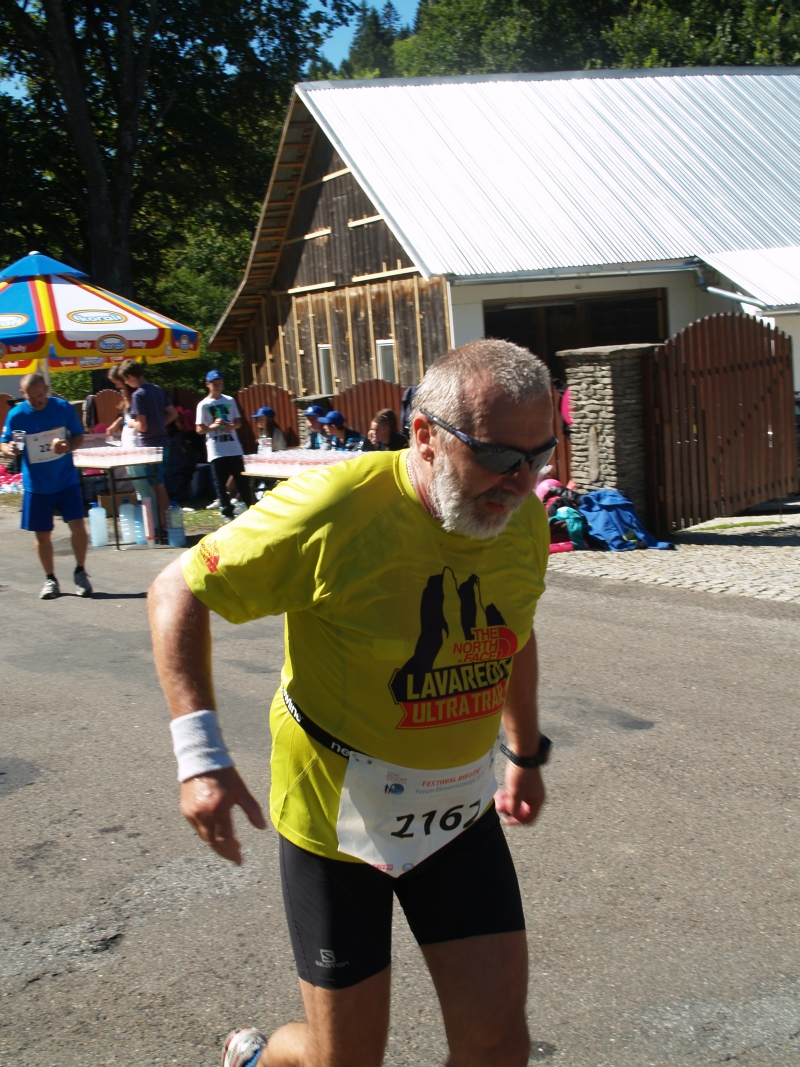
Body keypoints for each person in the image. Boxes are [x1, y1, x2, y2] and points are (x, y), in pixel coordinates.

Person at [149, 338, 559, 1067]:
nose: (521, 480)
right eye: (499, 455)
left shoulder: (518, 514)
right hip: (339, 820)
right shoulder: (336, 508)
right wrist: (200, 758)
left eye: (539, 454)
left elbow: (512, 634)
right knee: (344, 1060)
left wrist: (524, 755)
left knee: (499, 1046)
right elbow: (176, 588)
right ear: (424, 435)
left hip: (457, 812)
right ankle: (259, 1058)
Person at [0, 372, 92, 599]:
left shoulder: (62, 407)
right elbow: (5, 442)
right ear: (22, 394)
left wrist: (68, 446)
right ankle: (50, 579)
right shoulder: (16, 415)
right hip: (37, 484)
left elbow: (79, 436)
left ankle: (80, 572)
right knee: (43, 535)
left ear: (47, 389)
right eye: (31, 397)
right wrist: (8, 449)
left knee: (78, 527)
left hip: (66, 480)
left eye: (40, 395)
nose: (37, 401)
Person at [120, 359, 177, 530]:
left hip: (149, 447)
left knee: (157, 487)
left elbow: (142, 426)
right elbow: (173, 413)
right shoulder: (157, 389)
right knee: (160, 485)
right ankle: (165, 524)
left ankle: (166, 526)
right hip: (163, 443)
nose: (126, 383)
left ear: (131, 376)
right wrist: (159, 424)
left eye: (125, 380)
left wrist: (130, 423)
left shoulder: (138, 395)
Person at [195, 370, 251, 520]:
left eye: (220, 384)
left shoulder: (230, 400)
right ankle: (227, 512)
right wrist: (212, 426)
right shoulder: (203, 405)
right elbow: (199, 429)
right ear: (208, 385)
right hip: (216, 449)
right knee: (219, 483)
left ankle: (251, 507)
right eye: (215, 384)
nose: (218, 387)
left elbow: (239, 422)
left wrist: (232, 426)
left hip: (233, 447)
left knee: (242, 480)